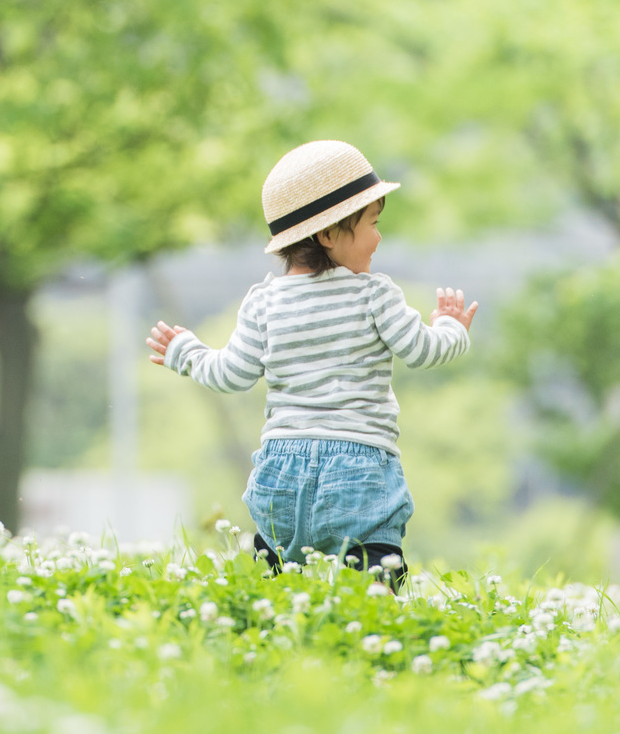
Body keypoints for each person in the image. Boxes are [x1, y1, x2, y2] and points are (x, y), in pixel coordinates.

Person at [146, 139, 476, 589]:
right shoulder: (374, 293)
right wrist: (451, 328)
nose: (379, 237)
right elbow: (423, 350)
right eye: (372, 224)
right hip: (357, 473)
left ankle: (265, 611)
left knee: (274, 570)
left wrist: (185, 353)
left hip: (280, 472)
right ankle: (377, 629)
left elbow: (231, 374)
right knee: (373, 574)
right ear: (327, 234)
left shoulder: (263, 301)